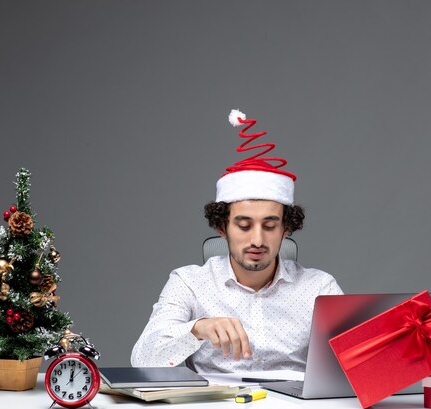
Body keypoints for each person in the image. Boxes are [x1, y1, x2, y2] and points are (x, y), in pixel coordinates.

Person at [131, 109, 343, 373]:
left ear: (286, 229)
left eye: (269, 226)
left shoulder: (319, 288)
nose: (257, 239)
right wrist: (197, 329)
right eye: (243, 226)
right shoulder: (188, 283)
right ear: (223, 228)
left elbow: (354, 364)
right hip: (215, 408)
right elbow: (143, 360)